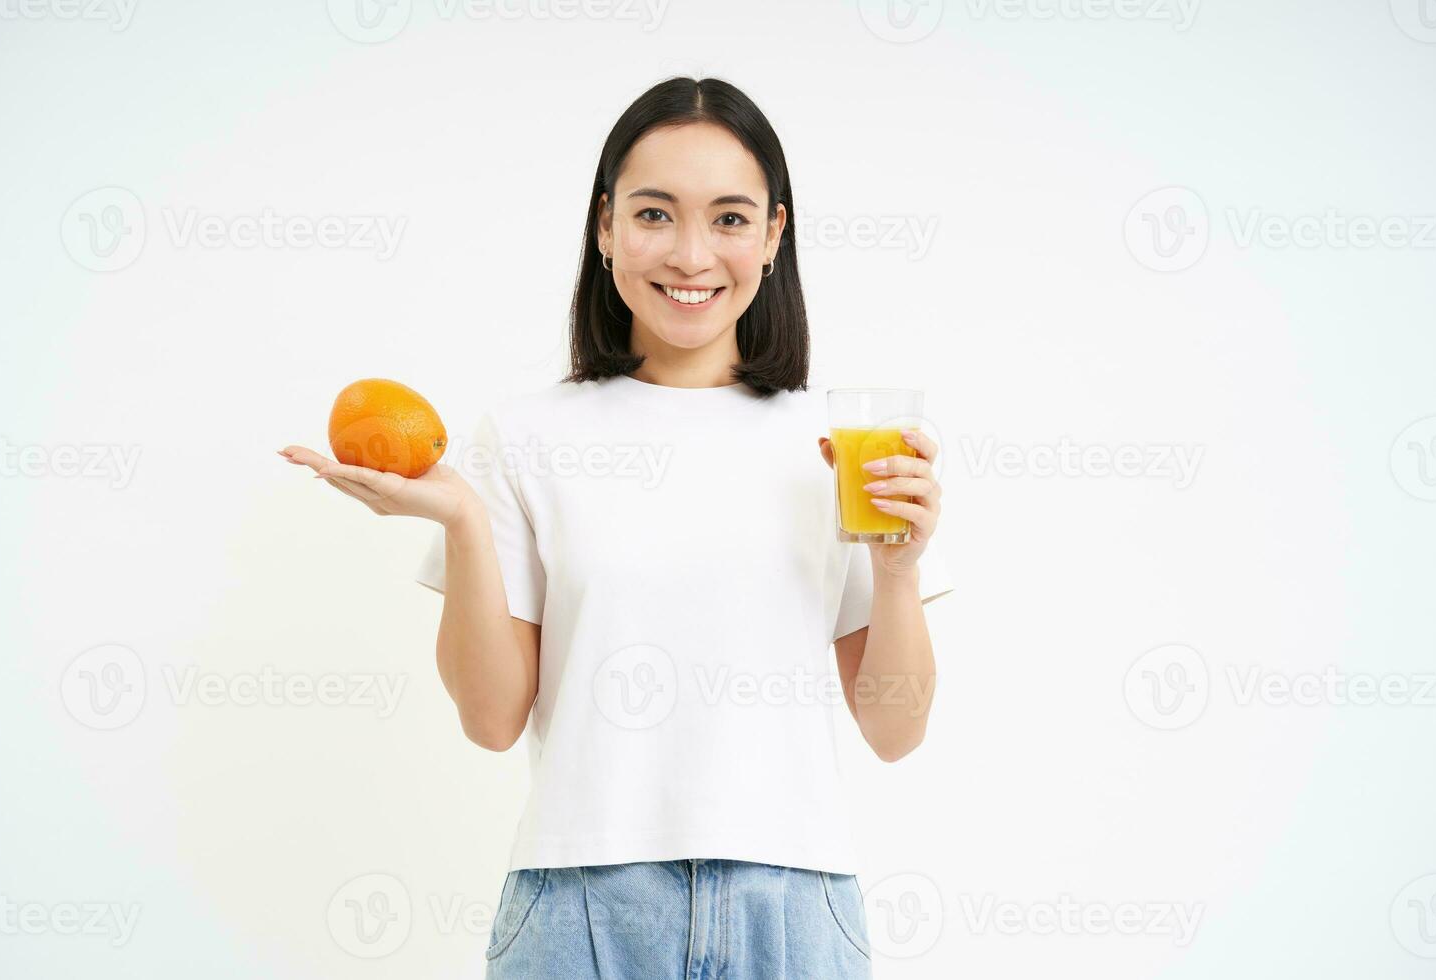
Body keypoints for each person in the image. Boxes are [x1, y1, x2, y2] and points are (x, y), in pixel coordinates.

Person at [280, 76, 952, 980]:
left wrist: (900, 573)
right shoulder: (525, 437)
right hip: (578, 907)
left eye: (728, 218)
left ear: (773, 236)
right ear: (604, 228)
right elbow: (490, 719)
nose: (689, 254)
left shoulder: (836, 443)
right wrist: (466, 527)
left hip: (792, 910)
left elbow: (895, 731)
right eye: (652, 214)